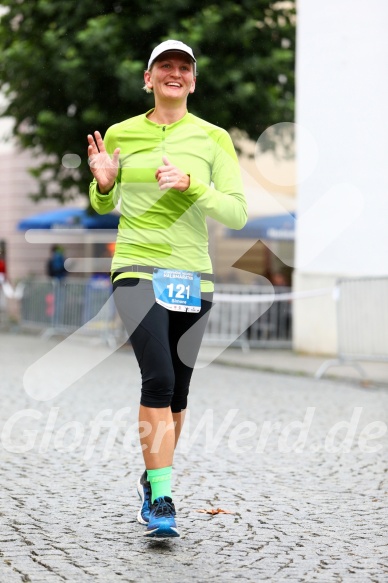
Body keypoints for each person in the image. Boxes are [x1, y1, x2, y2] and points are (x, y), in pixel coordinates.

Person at [87, 39, 247, 538]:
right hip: (136, 265)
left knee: (177, 393)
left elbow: (237, 213)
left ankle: (151, 477)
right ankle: (162, 498)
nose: (174, 73)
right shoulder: (121, 132)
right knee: (156, 378)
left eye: (183, 67)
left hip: (191, 275)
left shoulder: (213, 138)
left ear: (193, 80)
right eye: (164, 67)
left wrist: (193, 185)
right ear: (148, 77)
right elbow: (99, 204)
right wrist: (105, 184)